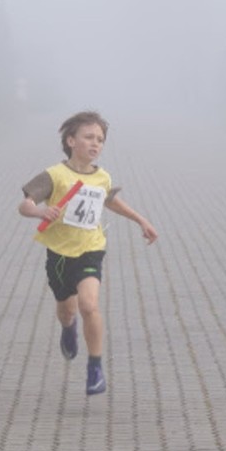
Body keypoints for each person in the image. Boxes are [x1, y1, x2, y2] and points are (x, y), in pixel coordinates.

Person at [18, 111, 158, 395]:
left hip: (91, 249)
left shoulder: (102, 177)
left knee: (89, 305)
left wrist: (141, 220)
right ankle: (68, 329)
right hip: (59, 253)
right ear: (71, 141)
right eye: (89, 137)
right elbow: (25, 205)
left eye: (100, 140)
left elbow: (111, 202)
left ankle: (95, 367)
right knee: (67, 309)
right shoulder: (54, 175)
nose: (95, 144)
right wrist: (40, 211)